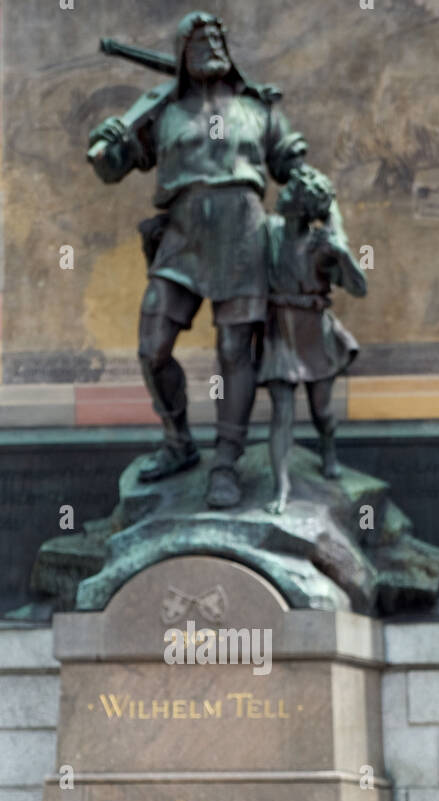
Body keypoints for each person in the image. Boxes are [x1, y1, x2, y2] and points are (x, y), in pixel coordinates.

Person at [88, 11, 307, 508]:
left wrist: (314, 213)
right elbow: (113, 166)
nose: (210, 43)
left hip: (244, 236)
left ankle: (226, 462)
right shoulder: (162, 111)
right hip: (182, 236)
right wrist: (105, 148)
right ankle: (179, 442)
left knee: (234, 350)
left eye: (217, 36)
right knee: (153, 345)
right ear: (183, 52)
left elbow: (294, 168)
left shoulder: (258, 109)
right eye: (199, 37)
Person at [258, 165, 367, 514]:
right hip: (279, 331)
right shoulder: (269, 230)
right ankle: (282, 487)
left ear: (303, 206)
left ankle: (328, 447)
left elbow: (359, 288)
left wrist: (343, 252)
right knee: (282, 413)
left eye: (290, 192)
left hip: (313, 333)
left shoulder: (320, 244)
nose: (281, 193)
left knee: (322, 411)